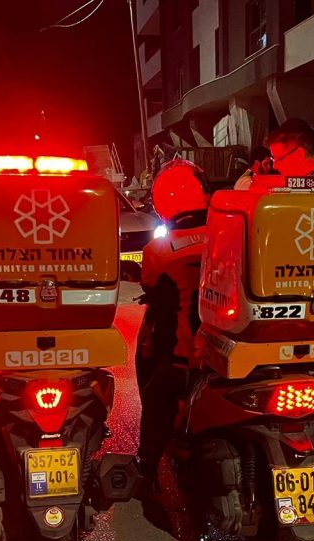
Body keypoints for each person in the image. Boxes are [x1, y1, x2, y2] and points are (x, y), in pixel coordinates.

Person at [137, 159, 210, 488]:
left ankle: (147, 469)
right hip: (228, 357)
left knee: (154, 400)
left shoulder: (158, 248)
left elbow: (150, 287)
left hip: (185, 362)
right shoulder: (232, 234)